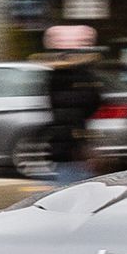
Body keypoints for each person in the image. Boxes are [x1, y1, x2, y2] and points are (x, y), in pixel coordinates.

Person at [39, 25, 106, 185]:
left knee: (62, 184)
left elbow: (50, 102)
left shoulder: (53, 75)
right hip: (75, 145)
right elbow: (94, 101)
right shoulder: (84, 75)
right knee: (74, 189)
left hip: (59, 144)